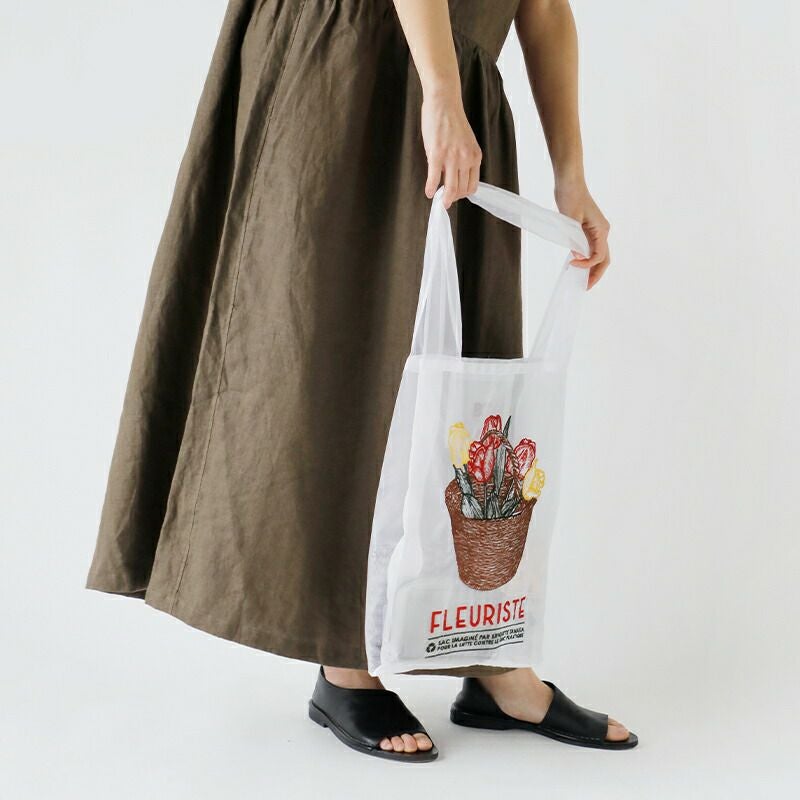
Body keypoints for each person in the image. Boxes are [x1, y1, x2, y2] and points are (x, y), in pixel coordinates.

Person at [86, 0, 634, 762]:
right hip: (355, 58)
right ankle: (345, 659)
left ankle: (488, 654)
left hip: (454, 75)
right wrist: (437, 88)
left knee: (465, 371)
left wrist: (571, 175)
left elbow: (542, 6)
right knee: (338, 352)